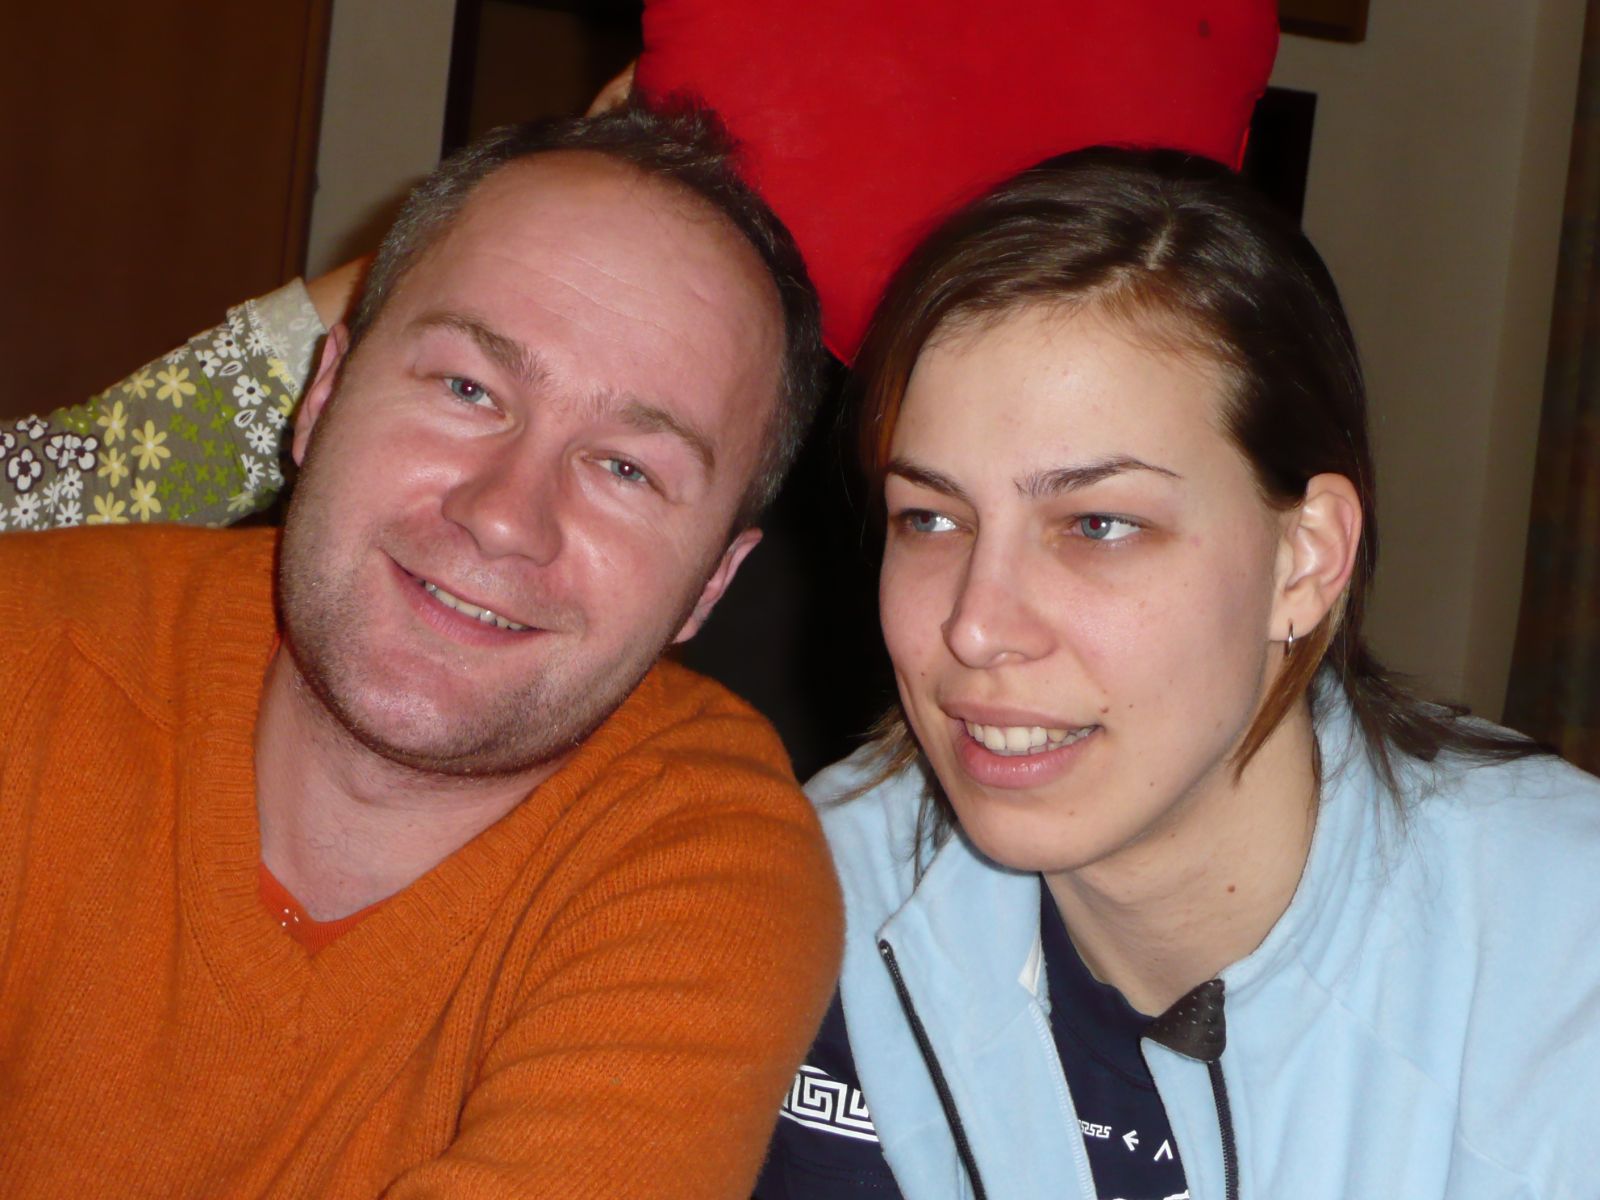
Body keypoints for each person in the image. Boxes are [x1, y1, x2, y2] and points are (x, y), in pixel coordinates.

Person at [0, 104, 843, 1198]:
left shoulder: (696, 864)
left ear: (712, 585)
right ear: (322, 396)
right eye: (467, 389)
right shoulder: (31, 654)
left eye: (628, 469)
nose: (504, 517)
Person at [757, 147, 1600, 1198]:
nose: (975, 626)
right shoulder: (804, 898)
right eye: (929, 518)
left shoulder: (1564, 971)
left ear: (1305, 560)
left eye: (1098, 525)